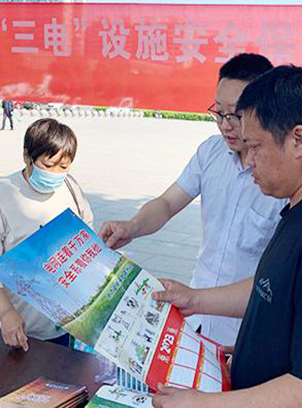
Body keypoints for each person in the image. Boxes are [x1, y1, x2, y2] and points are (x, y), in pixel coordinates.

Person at [151, 66, 302, 408]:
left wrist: (203, 404)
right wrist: (196, 300)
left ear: (297, 140)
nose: (248, 161)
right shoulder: (301, 206)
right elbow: (272, 288)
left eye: (255, 146)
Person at [99, 53, 287, 346]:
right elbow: (167, 203)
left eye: (235, 115)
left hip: (247, 327)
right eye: (219, 112)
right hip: (196, 316)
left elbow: (280, 277)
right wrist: (132, 226)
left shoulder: (281, 178)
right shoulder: (210, 152)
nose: (225, 125)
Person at [0, 118, 93, 351]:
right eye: (48, 165)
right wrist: (6, 313)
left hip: (62, 329)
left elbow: (87, 238)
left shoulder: (71, 188)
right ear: (27, 156)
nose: (56, 173)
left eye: (64, 167)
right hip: (13, 333)